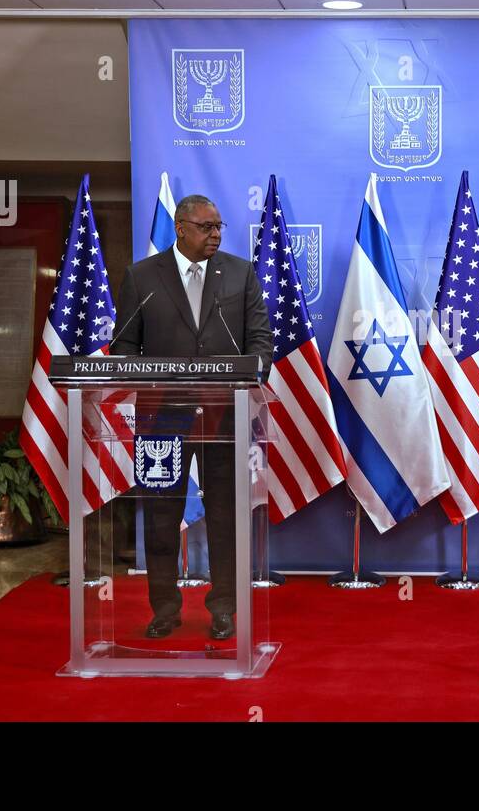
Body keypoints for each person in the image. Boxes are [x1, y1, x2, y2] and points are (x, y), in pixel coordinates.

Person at [112, 194, 271, 639]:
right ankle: (164, 608)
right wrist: (141, 376)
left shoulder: (240, 273)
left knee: (225, 515)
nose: (216, 235)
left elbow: (261, 341)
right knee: (162, 515)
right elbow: (124, 347)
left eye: (219, 226)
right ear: (180, 228)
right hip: (163, 416)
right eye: (207, 227)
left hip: (224, 415)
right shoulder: (142, 277)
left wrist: (251, 375)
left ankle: (223, 608)